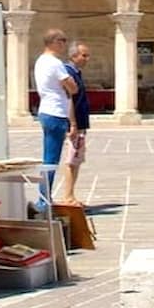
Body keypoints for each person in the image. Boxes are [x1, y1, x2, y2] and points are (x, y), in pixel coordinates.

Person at [32, 29, 77, 209]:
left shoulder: (40, 61)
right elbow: (72, 87)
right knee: (51, 160)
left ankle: (44, 198)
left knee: (49, 158)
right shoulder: (54, 62)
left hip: (46, 111)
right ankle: (43, 201)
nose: (64, 44)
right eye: (62, 40)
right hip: (56, 112)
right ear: (53, 42)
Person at [53, 40, 91, 205]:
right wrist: (73, 124)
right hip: (74, 123)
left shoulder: (76, 72)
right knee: (72, 159)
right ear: (74, 56)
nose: (87, 58)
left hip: (80, 123)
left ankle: (71, 195)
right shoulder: (68, 73)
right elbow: (69, 100)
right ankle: (67, 196)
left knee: (76, 160)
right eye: (84, 55)